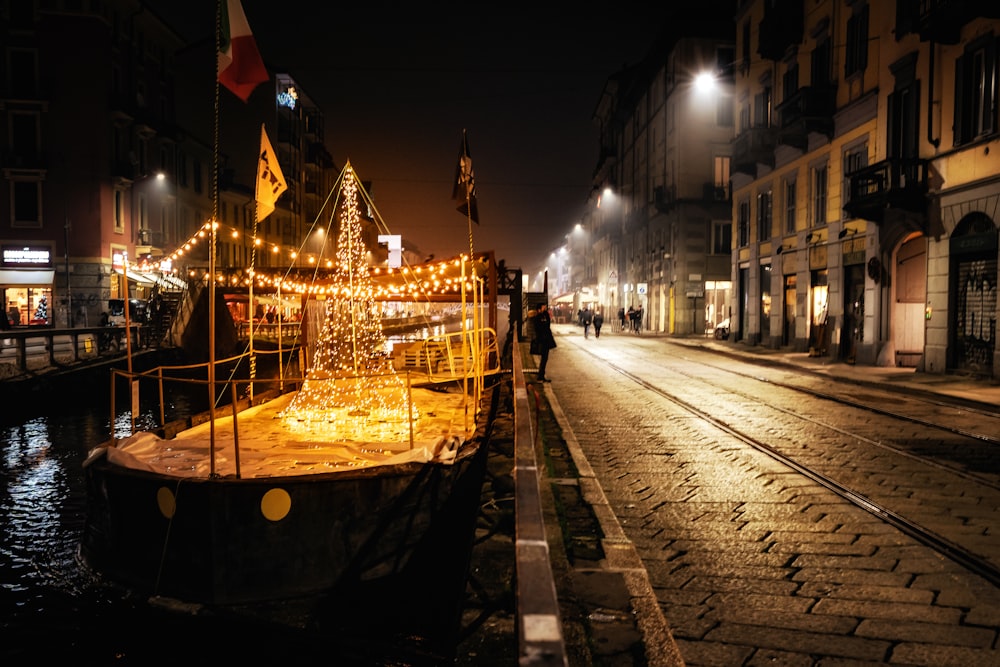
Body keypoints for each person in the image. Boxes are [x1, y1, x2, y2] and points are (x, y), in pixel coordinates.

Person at [530, 303, 556, 382]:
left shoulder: (544, 316)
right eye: (543, 307)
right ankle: (540, 376)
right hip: (542, 340)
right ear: (539, 309)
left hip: (546, 340)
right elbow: (541, 328)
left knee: (545, 358)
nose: (545, 308)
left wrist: (545, 314)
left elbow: (548, 324)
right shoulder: (537, 317)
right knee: (544, 358)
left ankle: (541, 375)